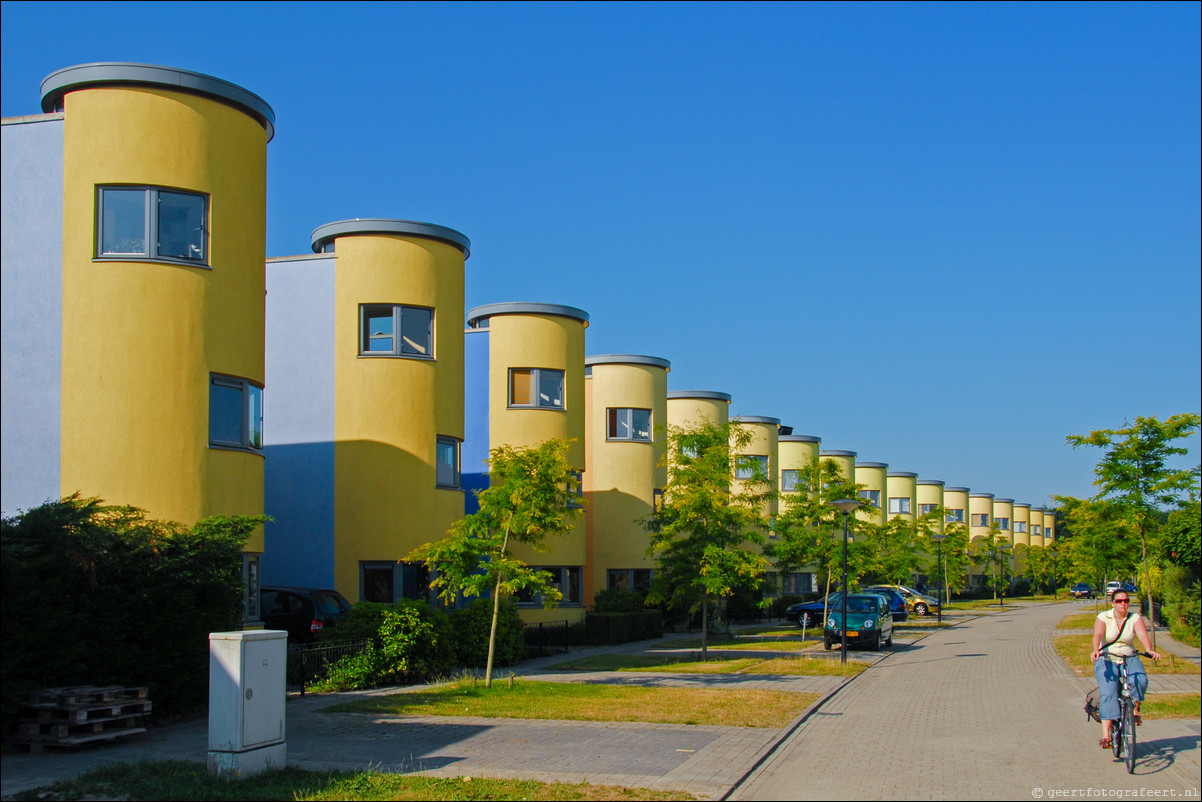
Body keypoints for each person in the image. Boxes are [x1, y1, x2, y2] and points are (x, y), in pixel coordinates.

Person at [1089, 591, 1160, 749]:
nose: (1123, 604)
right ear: (1113, 603)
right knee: (1109, 692)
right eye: (1119, 601)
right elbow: (1098, 634)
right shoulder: (1104, 617)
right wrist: (1095, 650)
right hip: (1107, 658)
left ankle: (1135, 709)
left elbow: (1142, 634)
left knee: (1140, 680)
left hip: (1129, 656)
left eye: (1126, 601)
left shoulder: (1134, 618)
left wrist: (1149, 649)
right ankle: (1106, 736)